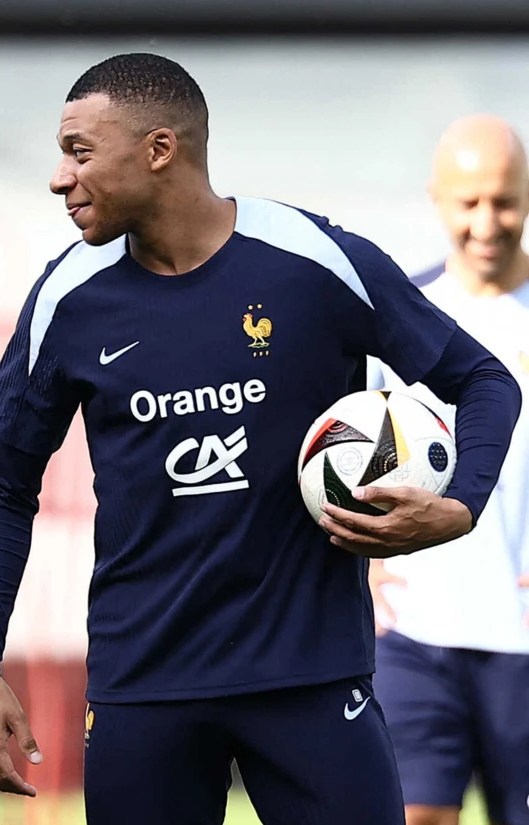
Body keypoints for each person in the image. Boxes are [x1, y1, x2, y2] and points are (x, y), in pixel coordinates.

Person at [0, 53, 522, 825]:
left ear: (161, 150)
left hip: (313, 679)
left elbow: (487, 381)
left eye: (80, 153)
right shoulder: (68, 297)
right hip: (144, 687)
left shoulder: (317, 262)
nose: (60, 177)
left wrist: (457, 506)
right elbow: (5, 487)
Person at [369, 115, 529, 825]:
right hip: (417, 634)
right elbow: (351, 454)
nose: (487, 222)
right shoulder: (399, 314)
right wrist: (365, 566)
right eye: (469, 202)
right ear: (437, 199)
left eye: (505, 200)